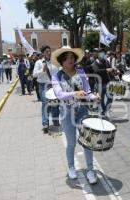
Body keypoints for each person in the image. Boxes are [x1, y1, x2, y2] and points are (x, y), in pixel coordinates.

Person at [51, 46, 100, 184]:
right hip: (66, 113)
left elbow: (87, 91)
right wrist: (74, 93)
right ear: (61, 61)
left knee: (87, 141)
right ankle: (71, 167)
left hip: (82, 111)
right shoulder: (57, 76)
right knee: (71, 142)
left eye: (72, 57)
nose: (70, 60)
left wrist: (94, 97)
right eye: (67, 58)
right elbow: (59, 94)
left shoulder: (81, 72)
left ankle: (90, 170)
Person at [33, 45, 60, 133]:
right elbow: (34, 74)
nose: (49, 52)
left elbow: (59, 72)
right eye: (47, 51)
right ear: (43, 53)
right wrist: (42, 71)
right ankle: (45, 123)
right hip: (43, 85)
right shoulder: (39, 63)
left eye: (49, 51)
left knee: (55, 104)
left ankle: (56, 121)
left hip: (53, 86)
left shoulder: (54, 62)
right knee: (45, 103)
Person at [90, 48, 115, 116]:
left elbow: (110, 69)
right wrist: (106, 70)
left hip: (108, 82)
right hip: (99, 84)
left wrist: (114, 71)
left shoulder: (106, 61)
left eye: (102, 52)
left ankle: (106, 110)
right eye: (99, 52)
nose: (102, 54)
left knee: (110, 97)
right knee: (101, 99)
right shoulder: (94, 63)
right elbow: (96, 71)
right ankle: (103, 111)